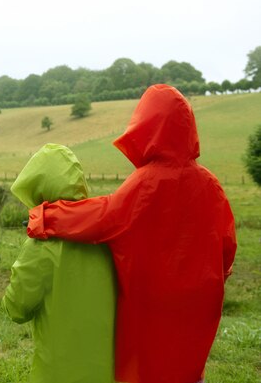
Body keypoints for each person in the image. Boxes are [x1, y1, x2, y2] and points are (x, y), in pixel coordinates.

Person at [27, 84, 237, 383]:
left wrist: (44, 216)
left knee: (148, 369)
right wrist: (218, 274)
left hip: (150, 303)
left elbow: (102, 216)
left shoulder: (146, 183)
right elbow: (227, 244)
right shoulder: (210, 184)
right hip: (200, 301)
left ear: (148, 126)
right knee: (186, 368)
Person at [2, 143, 117, 383]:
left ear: (37, 188)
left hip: (56, 372)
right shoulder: (108, 235)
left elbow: (17, 308)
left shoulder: (41, 246)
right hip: (106, 372)